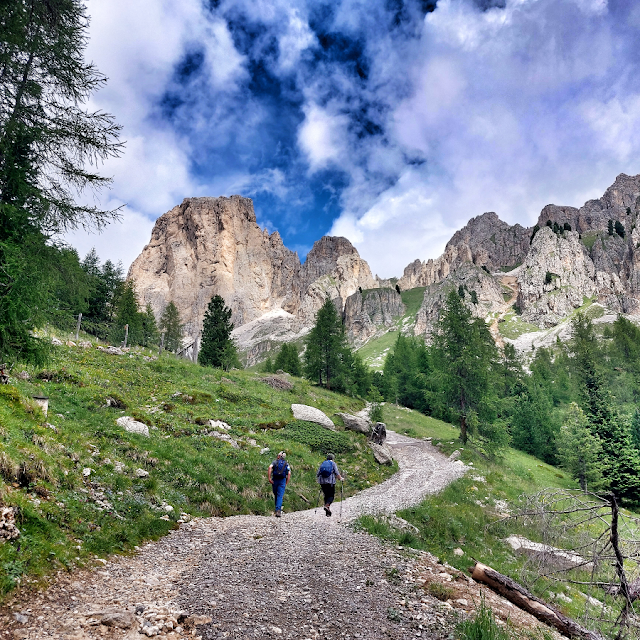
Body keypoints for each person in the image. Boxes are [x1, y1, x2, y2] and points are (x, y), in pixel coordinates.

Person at [268, 451, 291, 517]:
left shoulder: (275, 462)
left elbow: (270, 467)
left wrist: (269, 478)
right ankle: (278, 510)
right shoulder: (286, 464)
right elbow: (289, 473)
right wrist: (286, 482)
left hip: (275, 479)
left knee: (276, 494)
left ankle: (277, 509)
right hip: (282, 480)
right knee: (280, 495)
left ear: (279, 456)